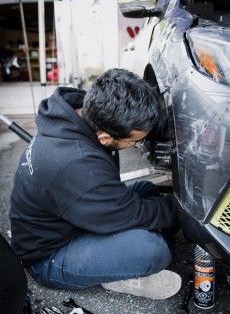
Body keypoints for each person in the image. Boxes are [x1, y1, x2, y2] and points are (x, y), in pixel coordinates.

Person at [10, 68, 181, 300]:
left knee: (146, 189)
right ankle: (115, 276)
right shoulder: (76, 162)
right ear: (104, 138)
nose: (137, 145)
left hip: (69, 217)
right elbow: (128, 212)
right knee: (153, 250)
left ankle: (114, 256)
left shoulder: (88, 110)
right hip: (50, 255)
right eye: (134, 142)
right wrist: (186, 211)